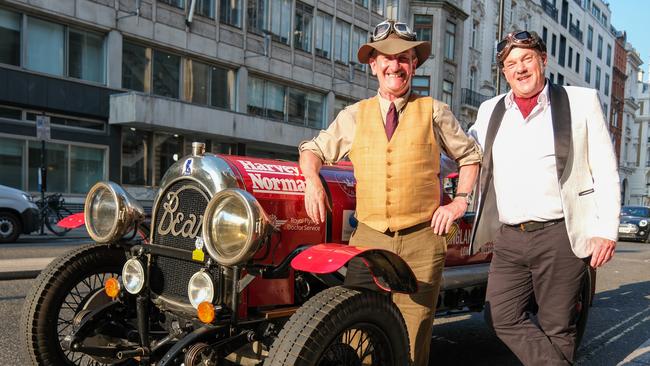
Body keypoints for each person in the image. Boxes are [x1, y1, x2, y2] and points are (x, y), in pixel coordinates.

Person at [299, 19, 481, 365]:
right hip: (368, 240)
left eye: (404, 58)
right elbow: (313, 149)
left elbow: (471, 156)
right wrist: (312, 181)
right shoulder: (355, 115)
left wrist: (459, 202)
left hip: (422, 240)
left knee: (412, 340)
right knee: (359, 333)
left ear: (413, 65)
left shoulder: (434, 111)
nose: (395, 65)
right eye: (387, 57)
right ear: (374, 65)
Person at [469, 30, 620, 365]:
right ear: (504, 73)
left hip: (561, 234)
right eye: (511, 64)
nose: (520, 69)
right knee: (500, 316)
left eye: (526, 59)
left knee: (558, 327)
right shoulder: (490, 109)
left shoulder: (581, 102)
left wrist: (606, 230)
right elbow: (467, 155)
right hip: (509, 237)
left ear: (543, 60)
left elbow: (605, 170)